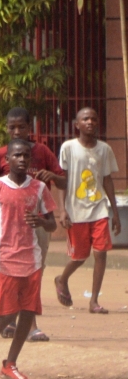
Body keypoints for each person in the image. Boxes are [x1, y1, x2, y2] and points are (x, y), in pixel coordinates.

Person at [0, 139, 57, 379]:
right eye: (17, 155)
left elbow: (52, 224)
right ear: (7, 160)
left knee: (28, 311)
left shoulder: (40, 188)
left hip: (32, 257)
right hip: (8, 257)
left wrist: (42, 222)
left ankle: (10, 364)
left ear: (31, 161)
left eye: (26, 156)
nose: (22, 159)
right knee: (6, 312)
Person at [0, 107, 65, 342]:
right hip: (8, 227)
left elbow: (64, 180)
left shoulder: (42, 152)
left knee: (34, 271)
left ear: (30, 128)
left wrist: (52, 177)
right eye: (13, 127)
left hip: (37, 223)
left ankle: (30, 323)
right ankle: (10, 319)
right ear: (7, 129)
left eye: (22, 126)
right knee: (8, 273)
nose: (17, 131)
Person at [54, 107, 121, 314]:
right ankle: (62, 279)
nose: (90, 122)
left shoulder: (104, 150)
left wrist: (115, 212)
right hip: (76, 211)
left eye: (93, 118)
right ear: (77, 124)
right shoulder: (68, 148)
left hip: (99, 209)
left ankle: (94, 301)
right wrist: (63, 210)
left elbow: (107, 179)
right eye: (85, 119)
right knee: (79, 257)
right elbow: (62, 180)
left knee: (101, 254)